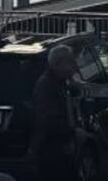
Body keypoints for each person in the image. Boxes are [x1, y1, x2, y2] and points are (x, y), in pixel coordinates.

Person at [31, 45, 78, 181]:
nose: (74, 66)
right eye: (70, 62)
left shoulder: (61, 83)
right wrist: (68, 131)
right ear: (59, 64)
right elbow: (48, 119)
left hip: (59, 145)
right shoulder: (46, 86)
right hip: (51, 147)